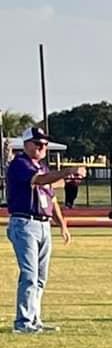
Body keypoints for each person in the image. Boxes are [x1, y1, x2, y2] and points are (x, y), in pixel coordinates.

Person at [7, 127, 76, 335]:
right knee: (29, 274)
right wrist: (68, 171)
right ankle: (23, 322)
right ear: (26, 144)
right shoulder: (20, 164)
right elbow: (40, 181)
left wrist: (62, 224)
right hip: (25, 222)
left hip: (43, 223)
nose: (42, 147)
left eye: (45, 144)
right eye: (38, 143)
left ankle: (34, 319)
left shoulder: (42, 167)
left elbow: (51, 199)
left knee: (40, 277)